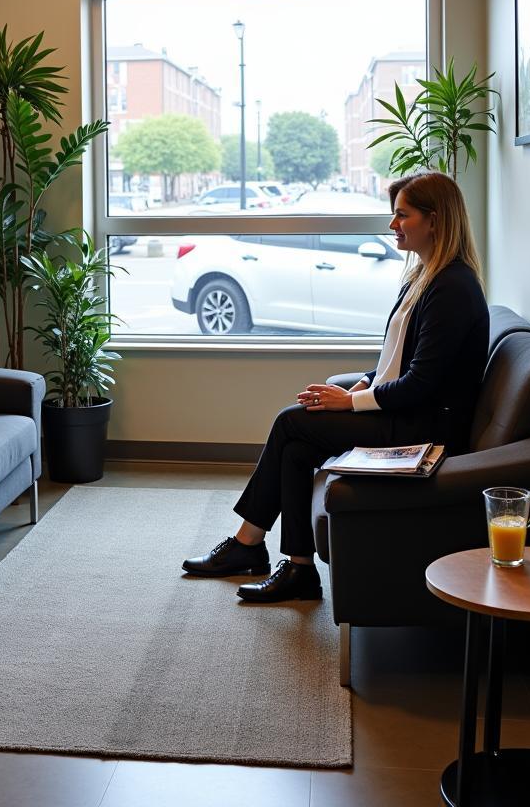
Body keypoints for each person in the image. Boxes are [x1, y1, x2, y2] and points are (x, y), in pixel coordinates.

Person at [182, 172, 489, 603]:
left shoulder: (454, 287)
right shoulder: (427, 275)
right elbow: (399, 357)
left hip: (423, 431)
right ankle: (298, 569)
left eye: (402, 215)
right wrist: (366, 381)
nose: (392, 225)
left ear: (435, 221)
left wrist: (350, 402)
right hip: (404, 414)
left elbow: (421, 384)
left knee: (291, 423)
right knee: (296, 447)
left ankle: (247, 544)